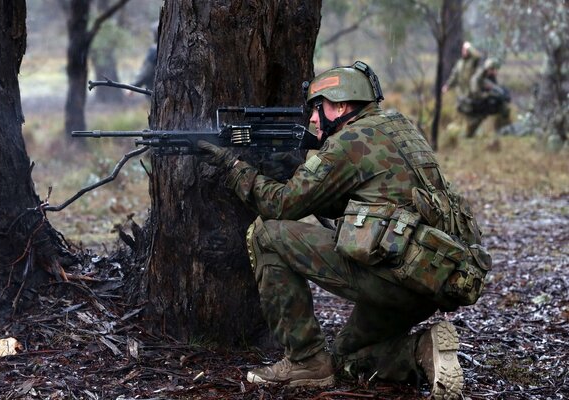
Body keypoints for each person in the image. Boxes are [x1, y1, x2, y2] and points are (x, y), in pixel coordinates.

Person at [198, 61, 489, 400]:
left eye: (316, 109)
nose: (311, 119)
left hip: (393, 279)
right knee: (347, 359)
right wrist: (292, 171)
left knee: (268, 233)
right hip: (432, 282)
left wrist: (233, 169)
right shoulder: (400, 127)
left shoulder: (347, 142)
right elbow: (368, 199)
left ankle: (304, 360)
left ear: (339, 105)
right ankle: (422, 350)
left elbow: (280, 207)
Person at [464, 57, 512, 137]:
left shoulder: (491, 77)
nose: (495, 72)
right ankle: (468, 134)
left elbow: (495, 88)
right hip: (475, 103)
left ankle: (503, 131)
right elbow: (476, 93)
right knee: (478, 117)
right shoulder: (477, 78)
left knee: (504, 108)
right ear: (488, 68)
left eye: (495, 70)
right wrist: (488, 94)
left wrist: (499, 96)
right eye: (493, 70)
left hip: (486, 101)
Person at [132, 23, 158, 90]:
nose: (151, 35)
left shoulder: (154, 50)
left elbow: (147, 72)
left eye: (152, 33)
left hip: (155, 90)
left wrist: (134, 86)